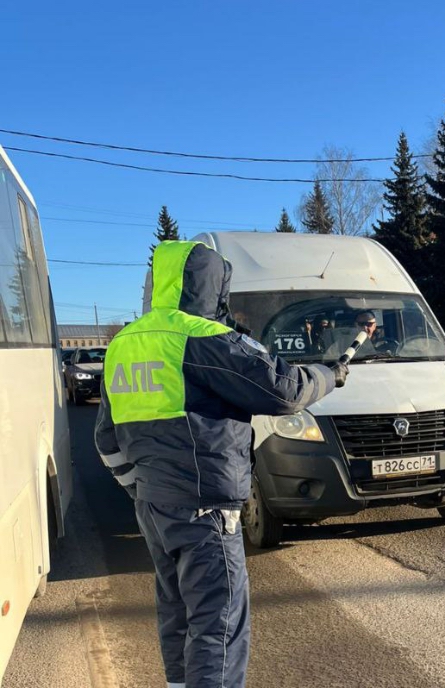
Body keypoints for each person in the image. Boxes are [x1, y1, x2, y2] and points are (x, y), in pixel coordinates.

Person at [94, 240, 348, 688]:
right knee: (219, 624)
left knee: (176, 610)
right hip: (206, 506)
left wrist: (139, 487)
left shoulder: (123, 344)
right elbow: (284, 390)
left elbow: (105, 437)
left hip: (154, 506)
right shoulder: (202, 338)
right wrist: (329, 374)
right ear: (211, 286)